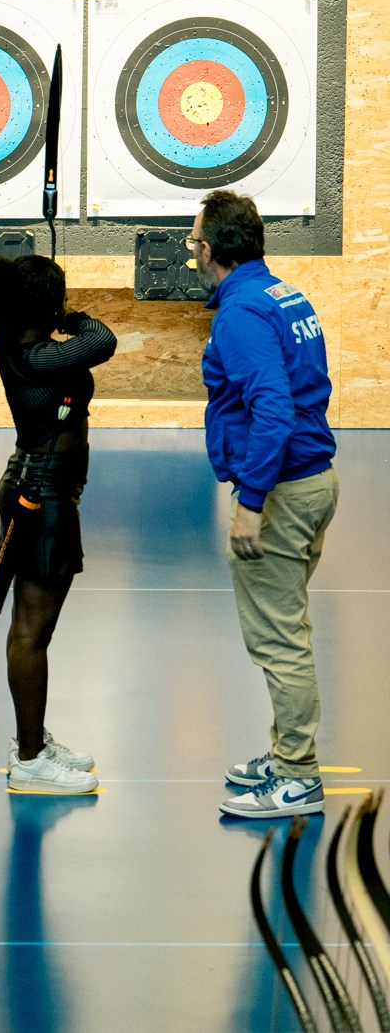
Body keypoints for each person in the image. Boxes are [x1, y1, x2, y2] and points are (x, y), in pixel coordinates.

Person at [189, 190, 338, 820]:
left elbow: (273, 408)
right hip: (309, 481)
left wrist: (251, 502)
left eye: (195, 240)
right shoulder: (281, 293)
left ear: (214, 249)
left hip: (279, 490)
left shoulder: (243, 313)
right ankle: (284, 758)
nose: (191, 250)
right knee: (287, 629)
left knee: (279, 641)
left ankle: (299, 776)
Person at [0, 254, 115, 795]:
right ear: (41, 304)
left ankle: (33, 741)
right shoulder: (36, 356)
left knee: (31, 626)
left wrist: (60, 313)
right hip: (40, 496)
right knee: (31, 631)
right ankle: (28, 759)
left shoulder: (20, 344)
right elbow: (103, 339)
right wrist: (75, 315)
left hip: (37, 488)